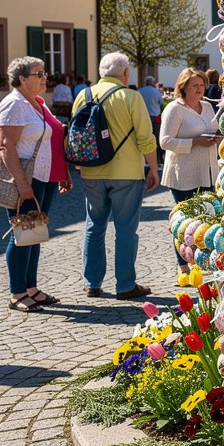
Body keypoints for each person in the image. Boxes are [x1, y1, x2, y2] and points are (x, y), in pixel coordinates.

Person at [72, 52, 159, 300]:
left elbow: (74, 134)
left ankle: (92, 283)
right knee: (125, 229)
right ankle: (125, 285)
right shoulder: (131, 97)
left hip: (91, 170)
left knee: (94, 226)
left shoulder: (82, 95)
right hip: (126, 172)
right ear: (125, 73)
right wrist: (153, 169)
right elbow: (145, 138)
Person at [0, 57, 71, 312]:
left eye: (43, 72)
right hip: (25, 179)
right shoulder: (14, 104)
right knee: (22, 233)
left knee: (35, 233)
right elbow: (5, 146)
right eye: (38, 73)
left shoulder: (37, 102)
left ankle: (31, 288)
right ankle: (17, 293)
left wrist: (63, 172)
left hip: (43, 177)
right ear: (22, 79)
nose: (44, 77)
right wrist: (21, 182)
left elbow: (53, 136)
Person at [160, 68, 220, 272]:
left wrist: (217, 138)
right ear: (183, 87)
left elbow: (213, 129)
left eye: (202, 85)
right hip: (183, 172)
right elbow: (165, 141)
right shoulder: (175, 109)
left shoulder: (207, 107)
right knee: (184, 220)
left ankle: (202, 262)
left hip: (208, 170)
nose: (199, 89)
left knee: (206, 217)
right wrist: (194, 142)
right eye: (194, 85)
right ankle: (182, 264)